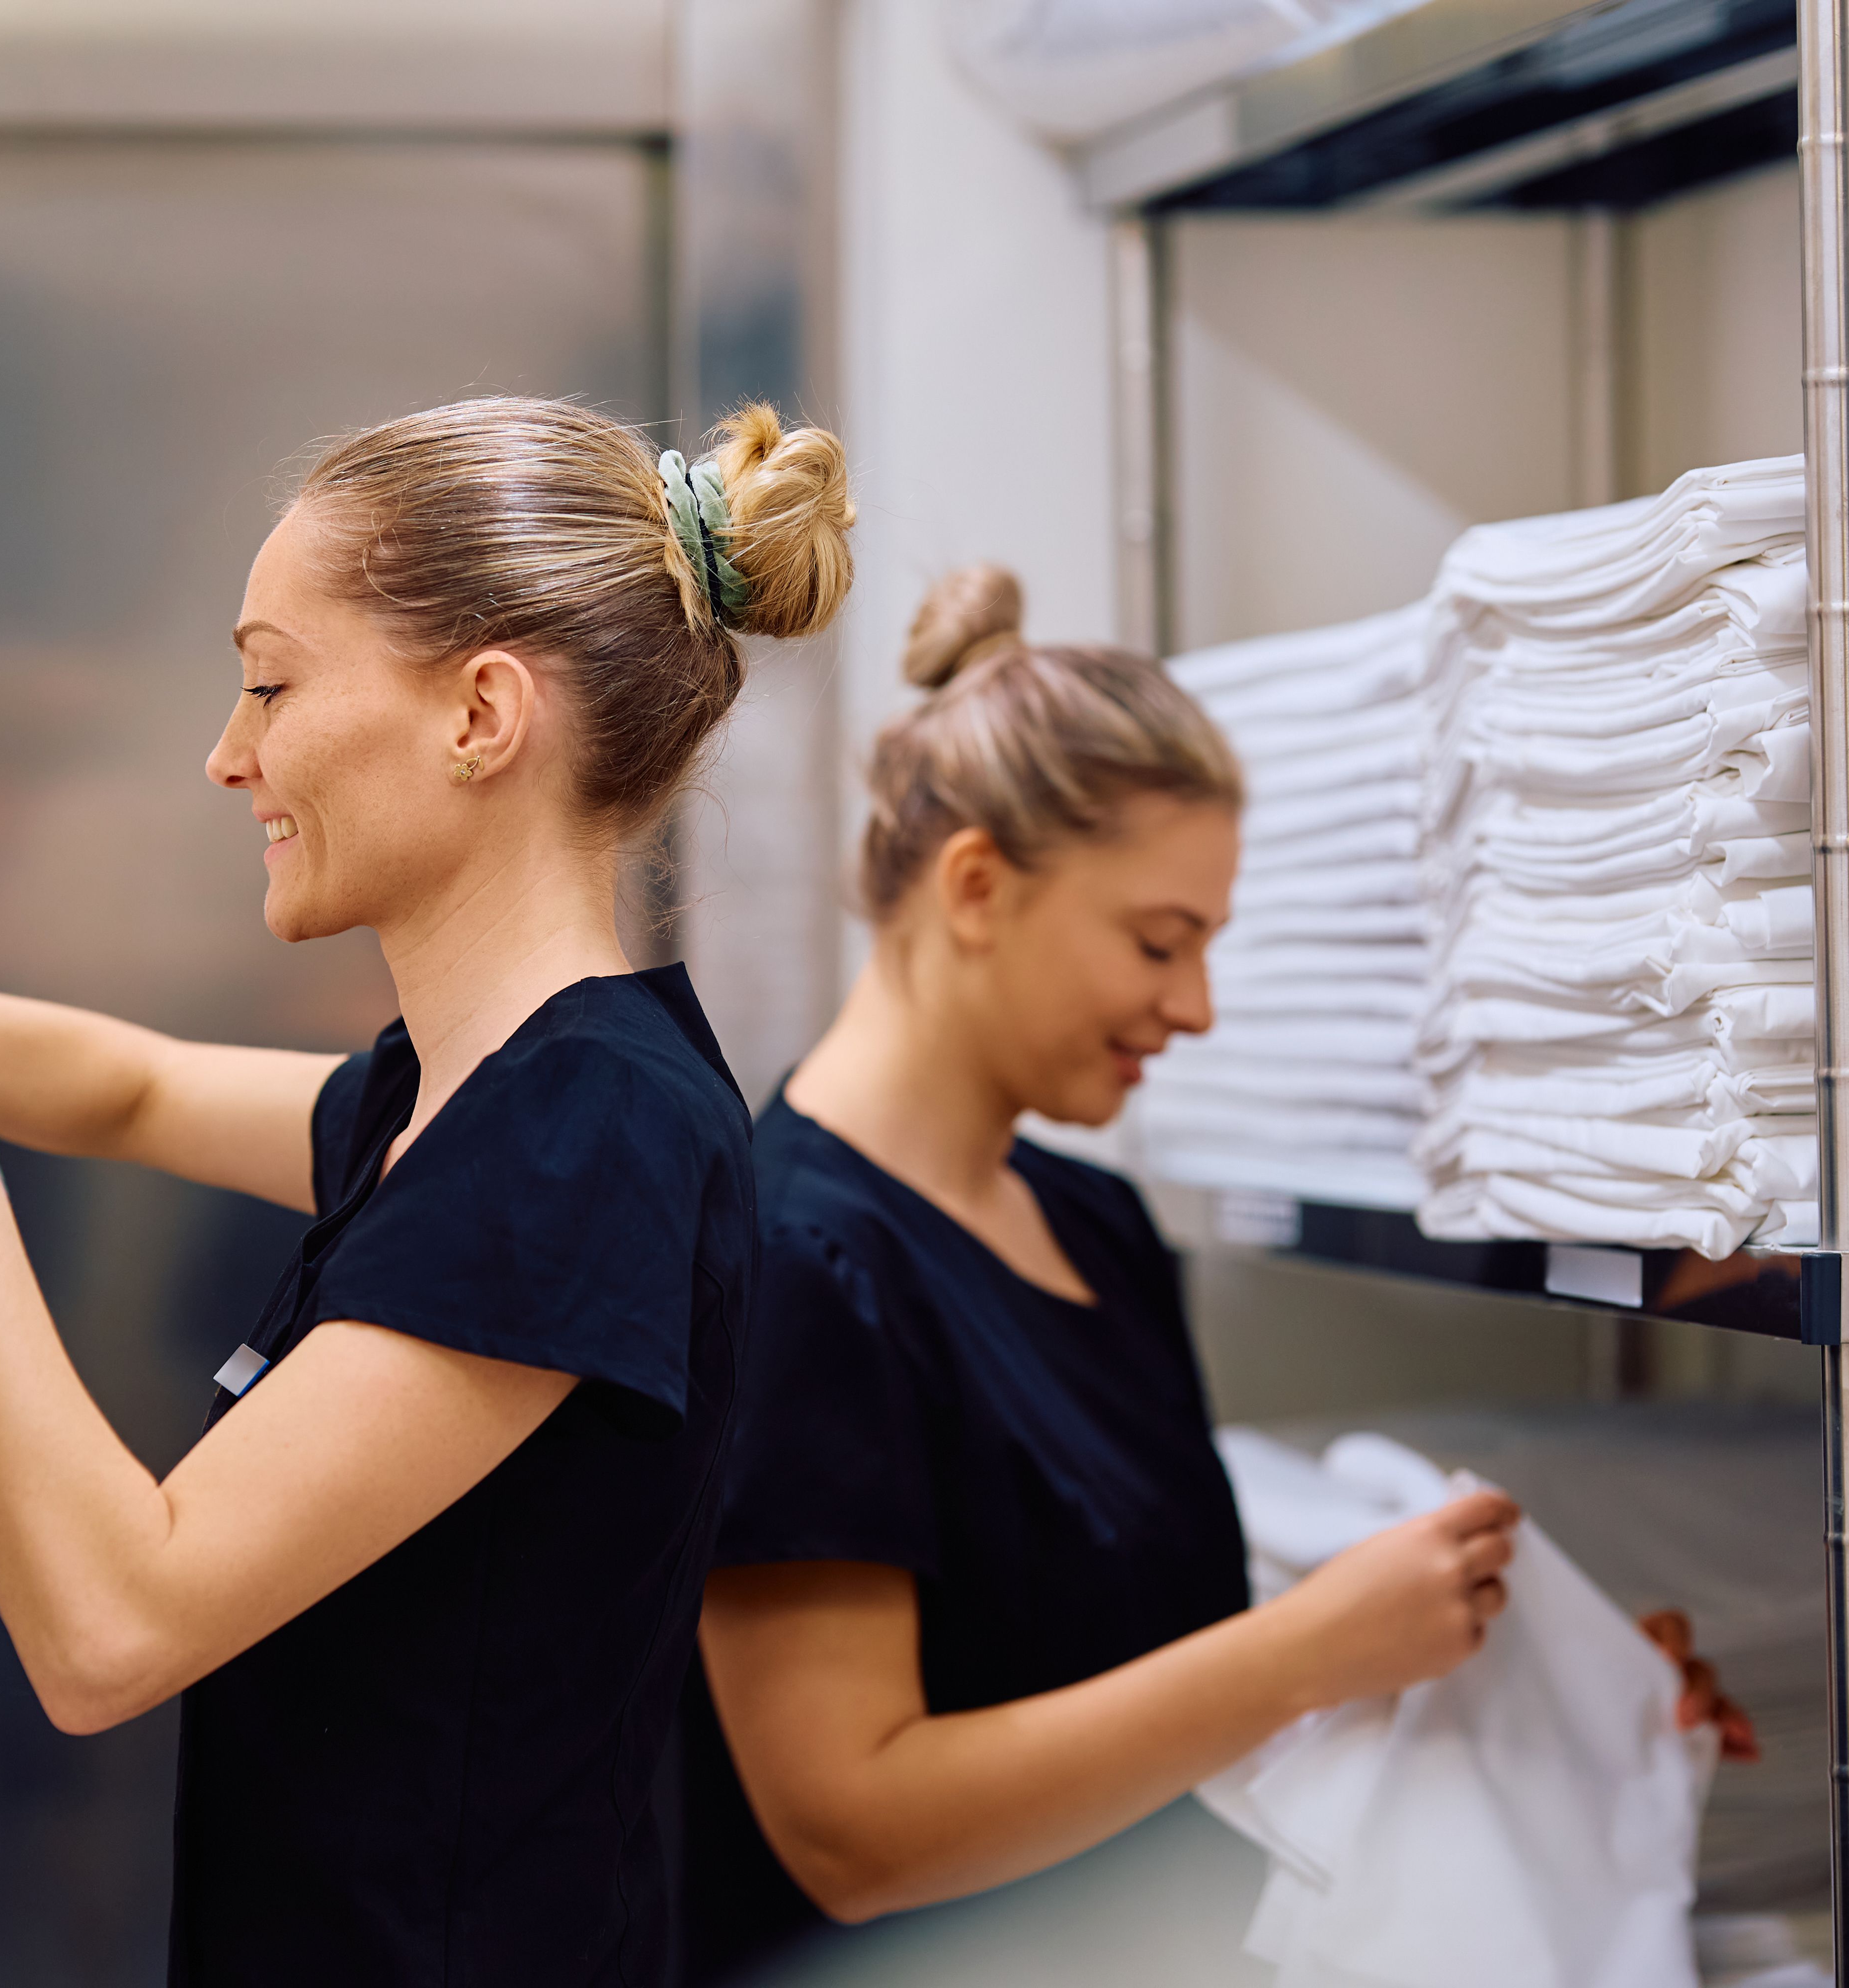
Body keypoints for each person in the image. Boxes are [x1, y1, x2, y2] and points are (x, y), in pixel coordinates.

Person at [0, 396, 852, 1987]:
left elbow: (112, 1626)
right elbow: (130, 1085)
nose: (229, 755)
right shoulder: (467, 1090)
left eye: (272, 683)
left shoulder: (585, 1135)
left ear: (481, 715)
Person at [675, 565, 1753, 1983]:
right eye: (1158, 943)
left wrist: (1548, 1697)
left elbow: (1143, 1695)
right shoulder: (797, 1264)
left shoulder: (1096, 1222)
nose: (1194, 1007)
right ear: (977, 888)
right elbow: (851, 1835)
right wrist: (1310, 1651)